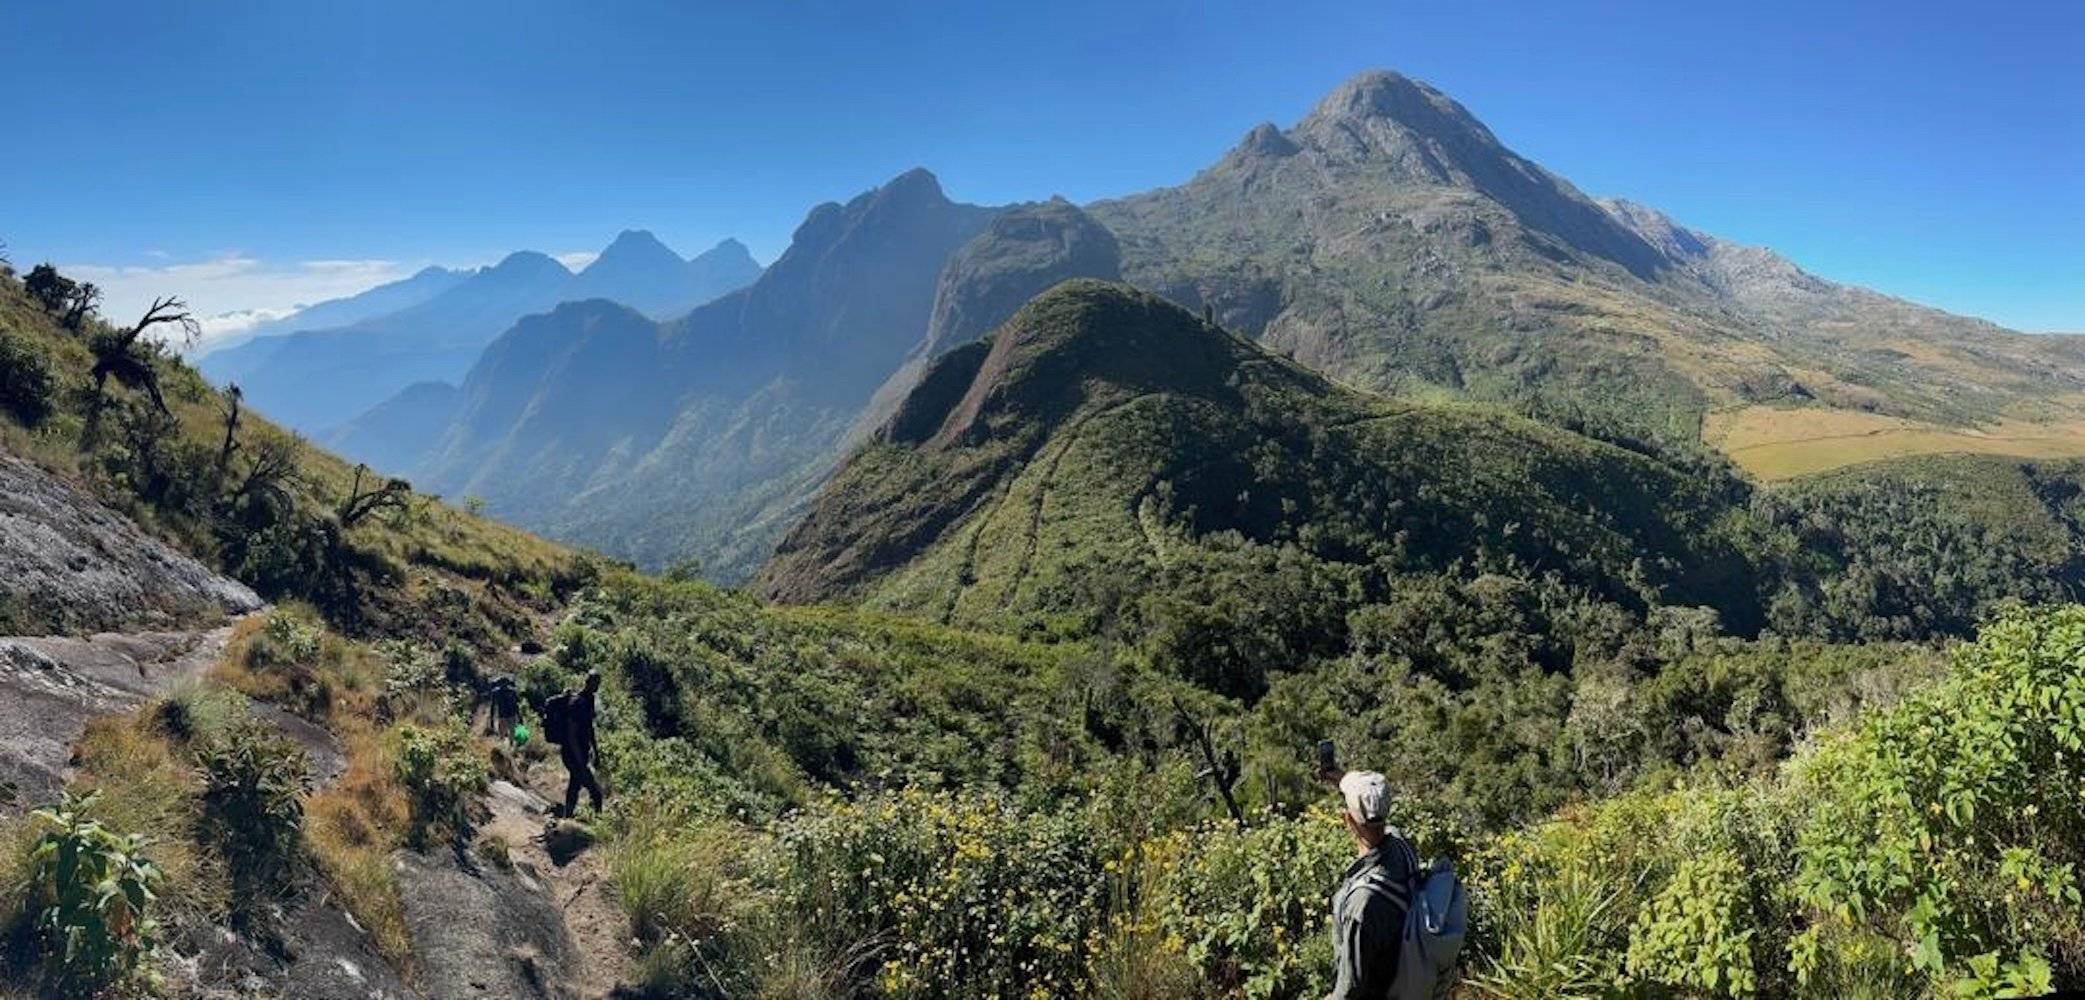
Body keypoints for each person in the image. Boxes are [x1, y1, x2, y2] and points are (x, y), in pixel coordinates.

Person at [1327, 770, 1419, 1000]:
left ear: (1347, 819)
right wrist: (1338, 777)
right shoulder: (1401, 844)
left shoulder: (1363, 902)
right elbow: (1373, 803)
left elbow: (1350, 988)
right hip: (1406, 979)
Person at [558, 671, 605, 817]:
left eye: (598, 683)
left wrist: (595, 752)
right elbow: (571, 734)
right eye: (595, 683)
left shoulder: (589, 700)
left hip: (581, 753)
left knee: (575, 786)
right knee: (596, 794)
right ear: (588, 682)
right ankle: (598, 826)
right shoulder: (577, 703)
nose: (597, 686)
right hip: (572, 753)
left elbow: (590, 728)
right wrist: (579, 760)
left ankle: (566, 817)